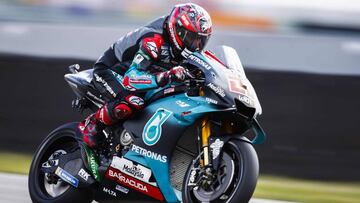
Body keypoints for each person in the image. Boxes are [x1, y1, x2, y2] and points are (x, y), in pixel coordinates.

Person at [79, 3, 213, 148]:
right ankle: (92, 124)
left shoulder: (184, 50)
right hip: (111, 72)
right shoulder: (153, 40)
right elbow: (131, 78)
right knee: (132, 102)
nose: (196, 45)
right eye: (192, 38)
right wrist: (165, 76)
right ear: (178, 30)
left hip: (145, 74)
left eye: (201, 40)